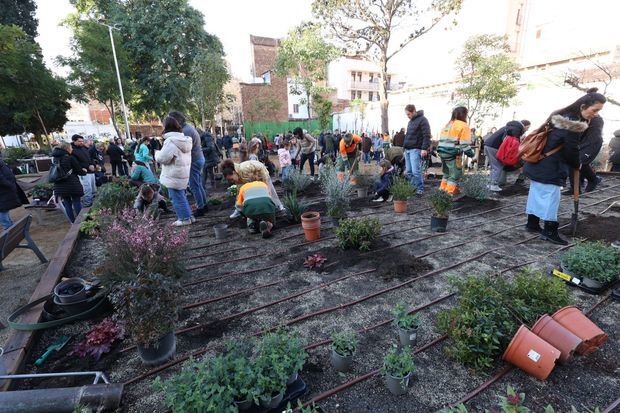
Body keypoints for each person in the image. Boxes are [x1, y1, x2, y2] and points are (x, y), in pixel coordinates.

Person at [524, 90, 606, 245]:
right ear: (583, 106)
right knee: (550, 199)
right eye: (594, 110)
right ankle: (549, 231)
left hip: (539, 162)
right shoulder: (573, 124)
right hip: (550, 167)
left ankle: (532, 224)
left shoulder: (561, 115)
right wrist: (577, 164)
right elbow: (571, 149)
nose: (595, 114)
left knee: (536, 193)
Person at [156, 116, 194, 226]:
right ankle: (189, 216)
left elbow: (163, 158)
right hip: (182, 173)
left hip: (174, 174)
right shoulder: (184, 140)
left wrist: (156, 153)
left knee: (176, 198)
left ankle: (184, 219)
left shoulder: (171, 141)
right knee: (181, 196)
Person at [169, 111, 208, 217]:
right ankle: (204, 205)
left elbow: (183, 148)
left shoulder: (185, 131)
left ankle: (201, 208)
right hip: (199, 158)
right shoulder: (188, 128)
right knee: (198, 184)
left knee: (194, 185)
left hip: (194, 160)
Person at [220, 159, 284, 218]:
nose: (232, 182)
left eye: (231, 179)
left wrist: (265, 183)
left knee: (270, 192)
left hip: (261, 175)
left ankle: (279, 206)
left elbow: (260, 167)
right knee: (241, 193)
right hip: (251, 179)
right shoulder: (238, 179)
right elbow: (240, 194)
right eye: (229, 180)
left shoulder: (244, 168)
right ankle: (238, 211)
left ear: (234, 172)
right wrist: (239, 206)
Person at [567, 100, 604, 193]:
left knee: (581, 162)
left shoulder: (596, 119)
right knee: (573, 162)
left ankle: (593, 179)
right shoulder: (580, 116)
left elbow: (594, 135)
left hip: (592, 142)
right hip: (582, 142)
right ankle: (575, 188)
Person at [437, 107, 474, 195]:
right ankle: (447, 195)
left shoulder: (448, 124)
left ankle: (441, 192)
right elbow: (464, 144)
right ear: (464, 114)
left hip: (442, 152)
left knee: (446, 173)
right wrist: (472, 155)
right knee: (454, 175)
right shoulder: (463, 125)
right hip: (452, 154)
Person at [484, 120, 527, 191]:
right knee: (498, 167)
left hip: (488, 145)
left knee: (494, 167)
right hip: (494, 147)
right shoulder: (511, 131)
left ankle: (490, 183)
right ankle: (493, 185)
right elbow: (506, 143)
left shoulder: (507, 128)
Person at [51, 141, 86, 223]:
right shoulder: (70, 158)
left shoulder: (55, 159)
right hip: (72, 184)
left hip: (59, 185)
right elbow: (79, 170)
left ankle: (72, 222)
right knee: (76, 201)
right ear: (67, 148)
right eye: (71, 147)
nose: (72, 149)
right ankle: (81, 222)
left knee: (67, 204)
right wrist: (83, 171)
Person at [403, 104, 432, 194]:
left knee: (416, 171)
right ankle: (413, 188)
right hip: (407, 149)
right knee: (408, 171)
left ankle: (420, 189)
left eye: (409, 114)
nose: (408, 116)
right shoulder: (410, 122)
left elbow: (427, 135)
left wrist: (424, 148)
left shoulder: (423, 120)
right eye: (407, 114)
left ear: (414, 111)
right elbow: (408, 135)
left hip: (415, 149)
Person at [0, 158, 29, 229]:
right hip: (3, 189)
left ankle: (9, 226)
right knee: (2, 209)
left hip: (4, 189)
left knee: (4, 209)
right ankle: (8, 227)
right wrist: (9, 184)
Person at [71, 134, 97, 207]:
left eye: (82, 141)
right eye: (79, 141)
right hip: (83, 172)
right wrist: (88, 166)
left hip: (91, 171)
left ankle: (92, 202)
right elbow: (75, 163)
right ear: (74, 141)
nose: (81, 143)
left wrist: (93, 165)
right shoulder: (72, 150)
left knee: (92, 188)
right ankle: (87, 203)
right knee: (87, 188)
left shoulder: (84, 148)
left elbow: (90, 157)